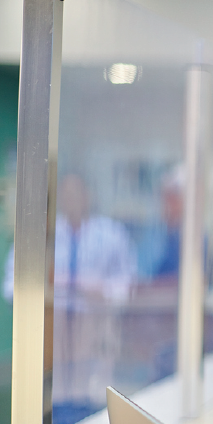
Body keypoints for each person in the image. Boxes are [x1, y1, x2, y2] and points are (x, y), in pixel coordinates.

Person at [4, 174, 138, 424]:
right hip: (53, 347)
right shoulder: (40, 236)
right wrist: (50, 287)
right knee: (56, 404)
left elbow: (128, 286)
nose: (72, 200)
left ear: (88, 196)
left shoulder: (111, 235)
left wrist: (98, 289)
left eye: (77, 193)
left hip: (96, 340)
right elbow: (12, 287)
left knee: (94, 405)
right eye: (66, 194)